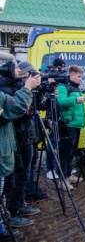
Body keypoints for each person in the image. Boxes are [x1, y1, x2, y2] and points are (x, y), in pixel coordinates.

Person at [0, 61, 43, 228]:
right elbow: (14, 109)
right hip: (14, 136)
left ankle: (20, 204)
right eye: (19, 69)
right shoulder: (4, 86)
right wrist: (26, 89)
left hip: (26, 135)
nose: (24, 72)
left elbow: (35, 106)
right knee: (13, 176)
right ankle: (12, 211)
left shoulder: (18, 84)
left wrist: (37, 91)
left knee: (24, 172)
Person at [57, 65, 85, 191]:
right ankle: (62, 180)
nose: (81, 79)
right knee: (65, 153)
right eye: (79, 76)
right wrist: (76, 99)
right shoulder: (63, 86)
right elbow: (61, 101)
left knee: (72, 152)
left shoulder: (75, 87)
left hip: (75, 124)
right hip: (67, 124)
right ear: (72, 75)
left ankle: (69, 175)